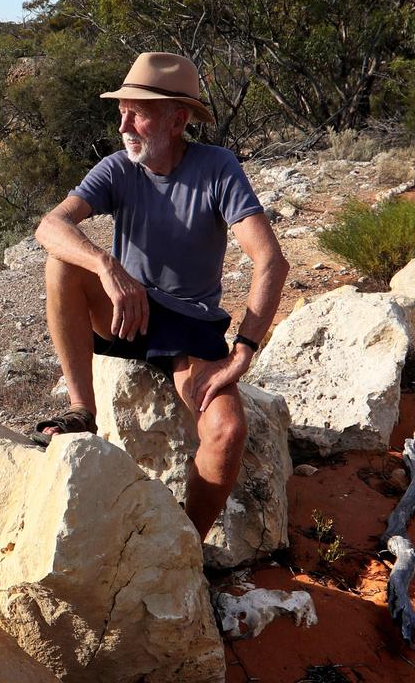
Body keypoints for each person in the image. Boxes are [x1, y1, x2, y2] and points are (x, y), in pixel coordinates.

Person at [32, 52, 289, 540]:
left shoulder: (216, 168)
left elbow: (271, 261)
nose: (125, 124)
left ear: (179, 118)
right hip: (128, 313)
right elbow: (51, 225)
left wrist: (243, 352)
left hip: (190, 327)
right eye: (122, 109)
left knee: (226, 432)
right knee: (61, 263)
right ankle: (82, 411)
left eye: (140, 112)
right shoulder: (117, 169)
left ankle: (188, 543)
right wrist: (107, 265)